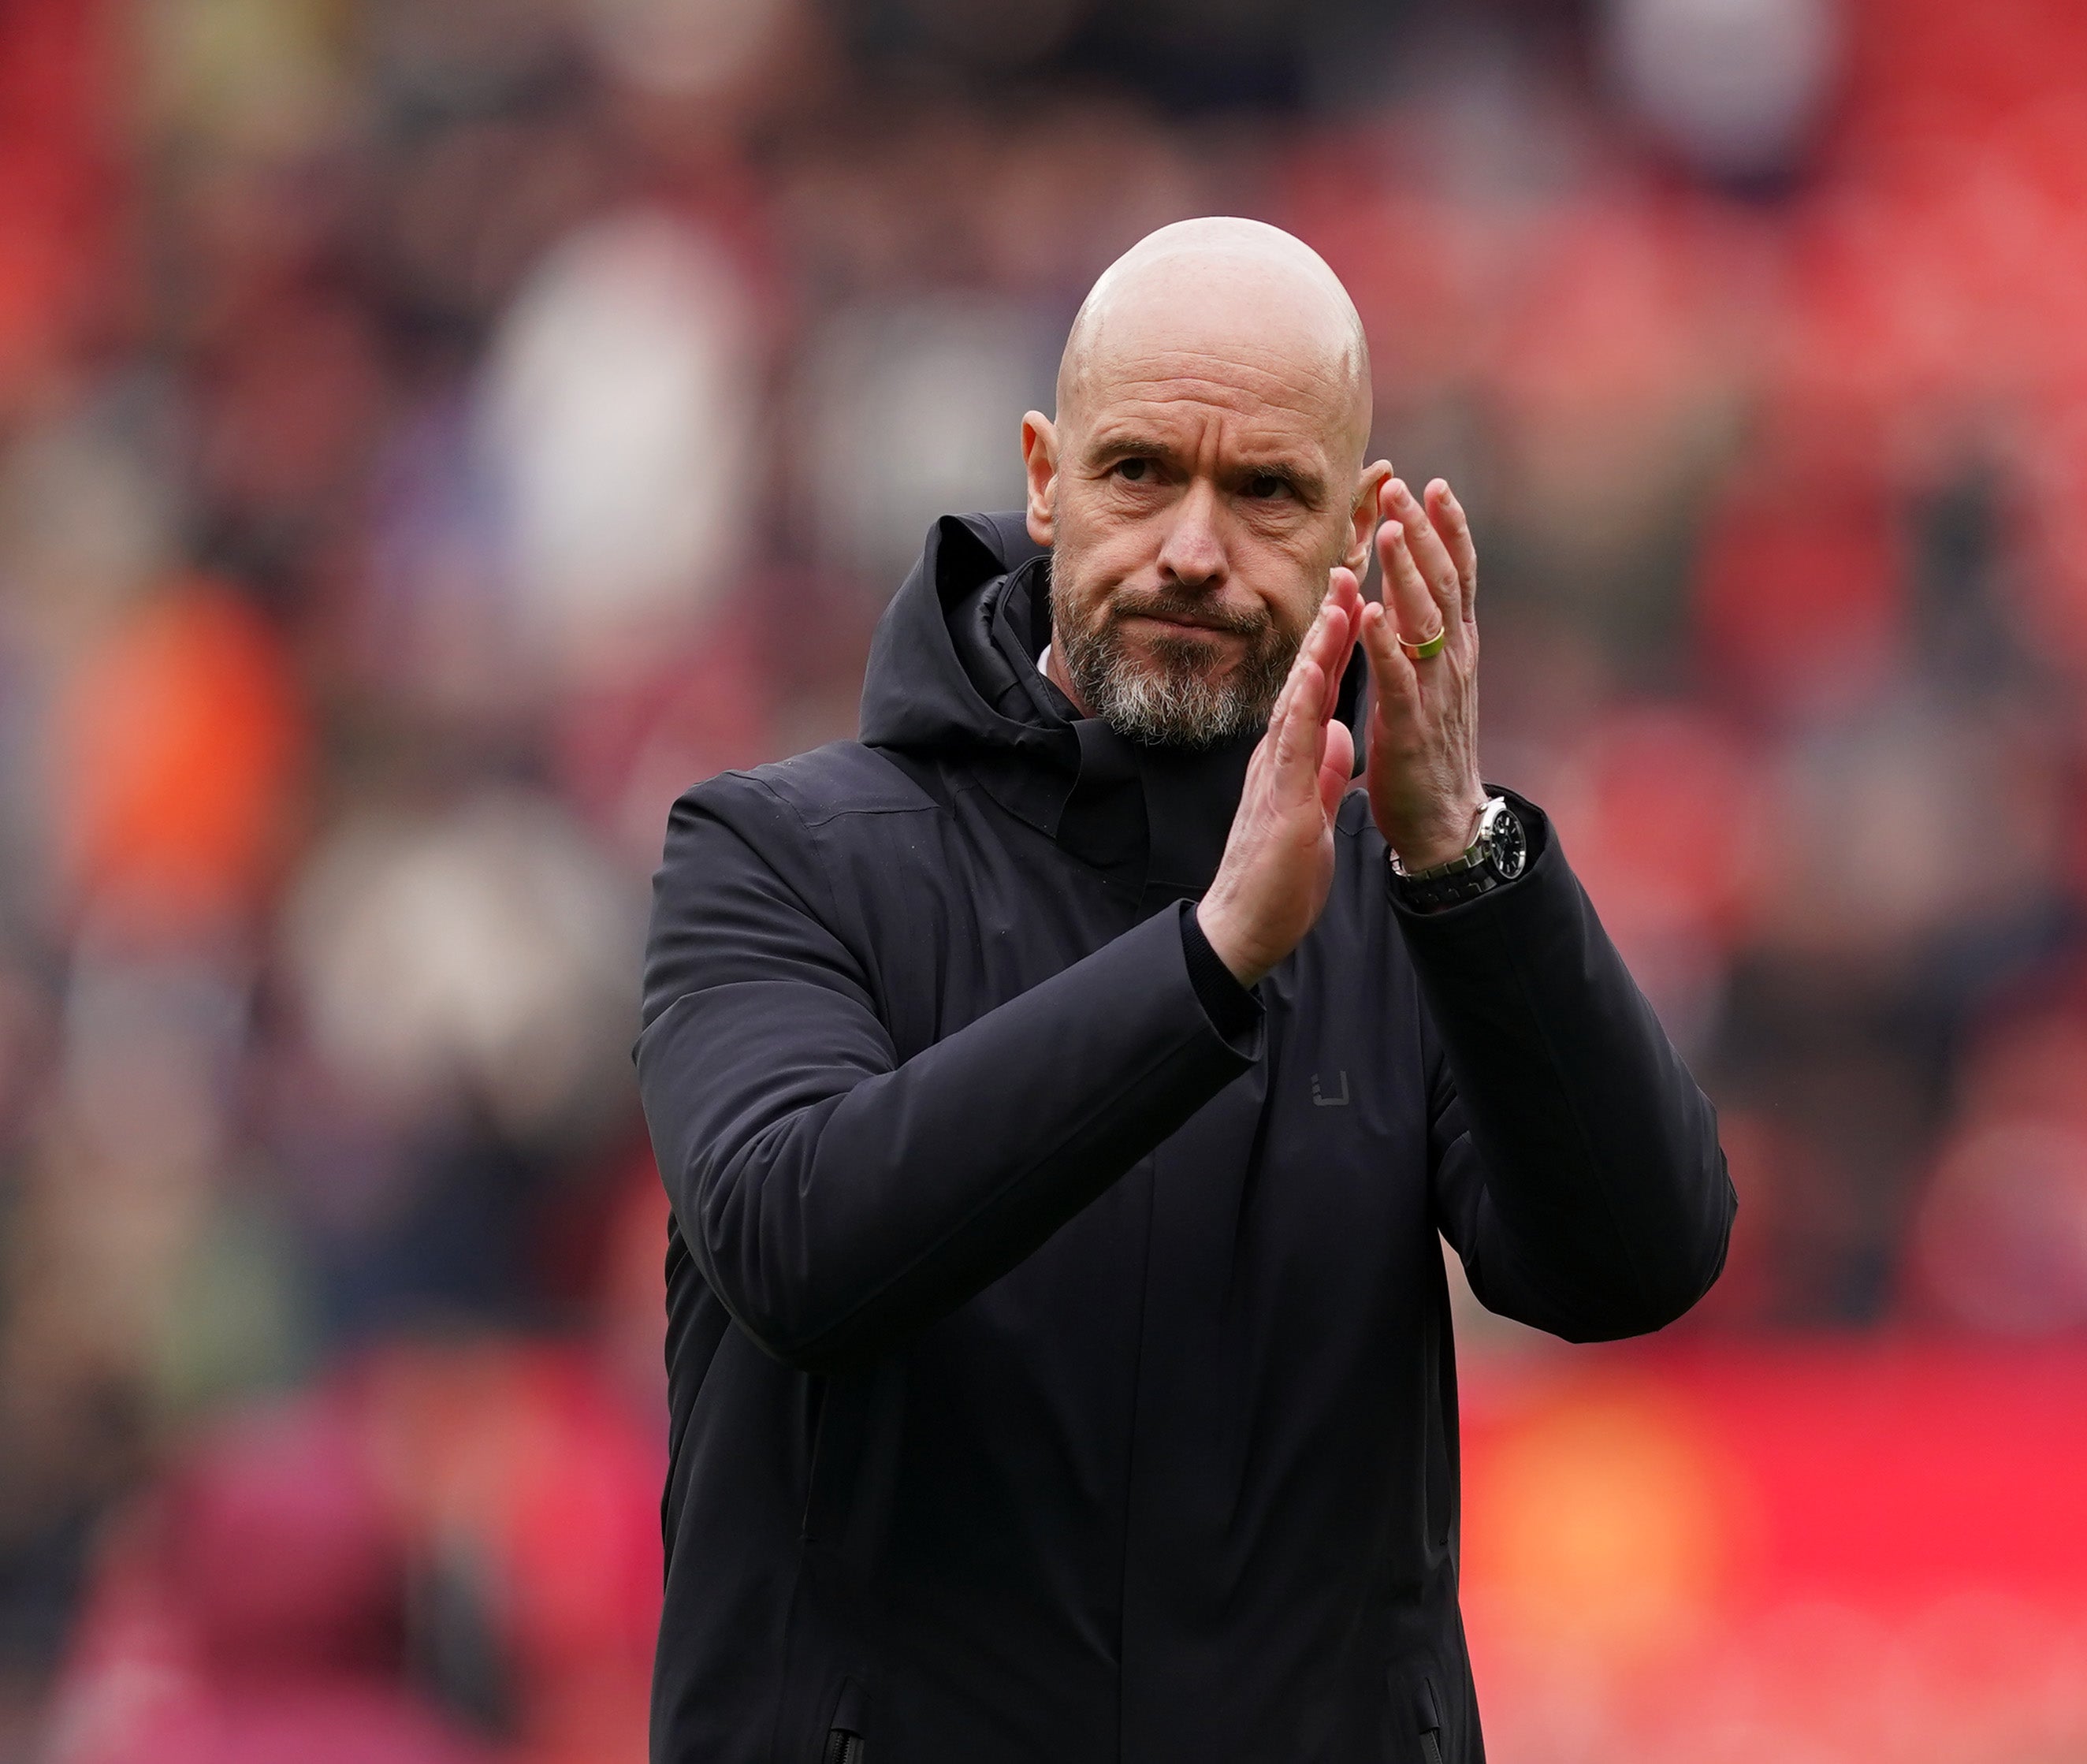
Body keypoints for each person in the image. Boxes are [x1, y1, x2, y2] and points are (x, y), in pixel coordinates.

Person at [635, 218, 1735, 1764]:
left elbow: (1636, 1264)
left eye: (1266, 490)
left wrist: (1468, 860)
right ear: (1043, 477)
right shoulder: (775, 853)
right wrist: (1207, 964)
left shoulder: (1414, 896)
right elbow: (799, 1242)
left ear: (1359, 525)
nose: (1193, 548)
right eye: (1141, 471)